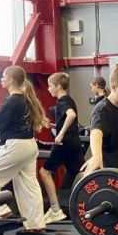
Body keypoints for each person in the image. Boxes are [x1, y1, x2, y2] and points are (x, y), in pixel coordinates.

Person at [0, 66, 49, 231]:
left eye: (4, 76)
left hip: (16, 145)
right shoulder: (26, 99)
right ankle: (35, 225)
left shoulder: (11, 101)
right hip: (30, 145)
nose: (1, 79)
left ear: (11, 80)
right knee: (29, 186)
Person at [39, 72, 84, 223]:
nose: (48, 89)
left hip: (64, 144)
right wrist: (53, 125)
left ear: (58, 86)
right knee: (81, 173)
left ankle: (55, 209)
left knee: (44, 172)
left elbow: (71, 115)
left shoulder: (62, 101)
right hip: (74, 142)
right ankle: (94, 198)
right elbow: (67, 119)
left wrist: (60, 134)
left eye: (50, 86)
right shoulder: (69, 99)